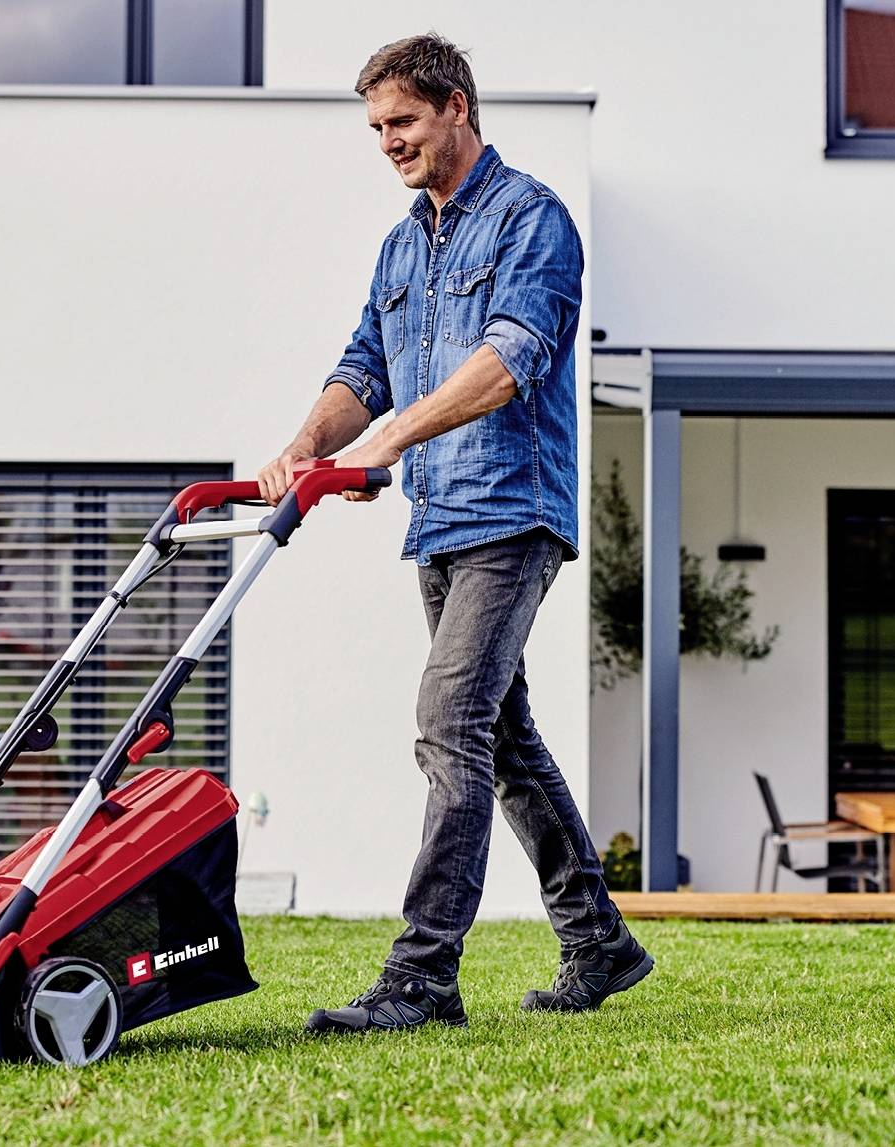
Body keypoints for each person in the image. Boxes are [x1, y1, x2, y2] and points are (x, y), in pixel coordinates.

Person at [257, 34, 653, 1034]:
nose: (386, 142)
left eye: (401, 122)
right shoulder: (401, 247)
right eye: (376, 128)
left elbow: (506, 360)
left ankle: (421, 975)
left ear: (455, 109)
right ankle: (597, 939)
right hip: (435, 519)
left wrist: (388, 439)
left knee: (447, 722)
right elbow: (362, 369)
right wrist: (307, 444)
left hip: (510, 510)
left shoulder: (531, 221)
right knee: (501, 735)